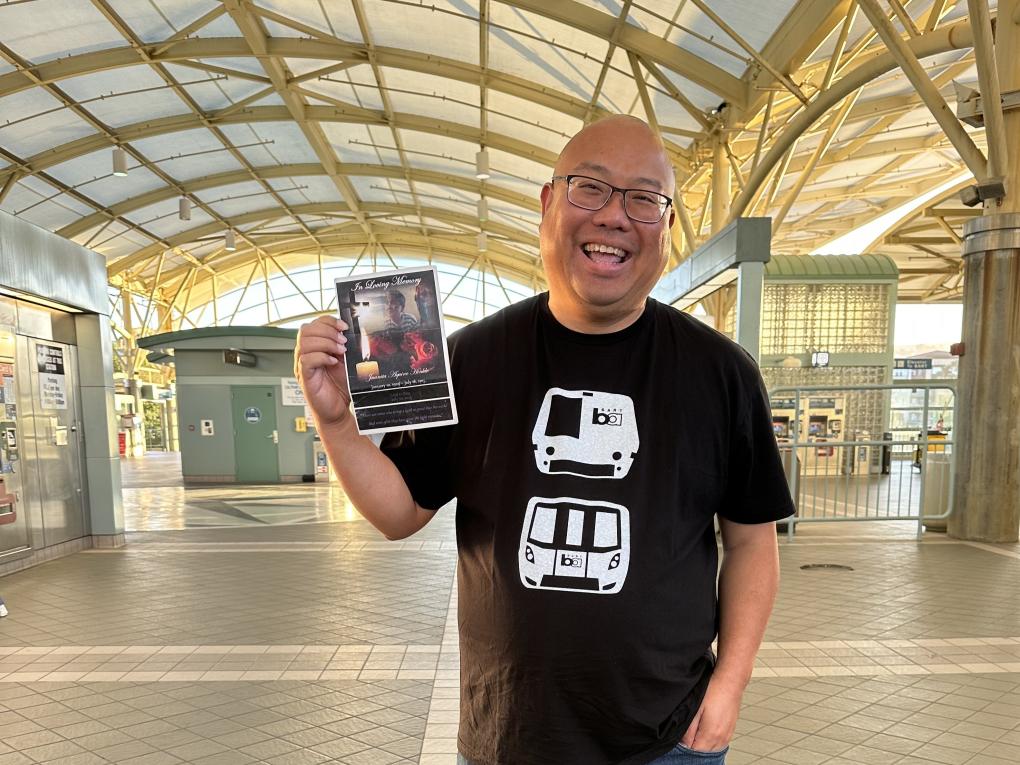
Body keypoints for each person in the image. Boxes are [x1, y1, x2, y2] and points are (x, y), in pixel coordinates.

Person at [296, 115, 793, 765]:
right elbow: (398, 511)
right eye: (591, 188)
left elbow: (752, 540)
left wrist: (730, 684)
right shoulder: (469, 359)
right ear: (548, 204)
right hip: (510, 736)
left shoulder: (722, 372)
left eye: (644, 198)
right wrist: (335, 422)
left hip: (670, 739)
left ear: (666, 226)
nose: (615, 215)